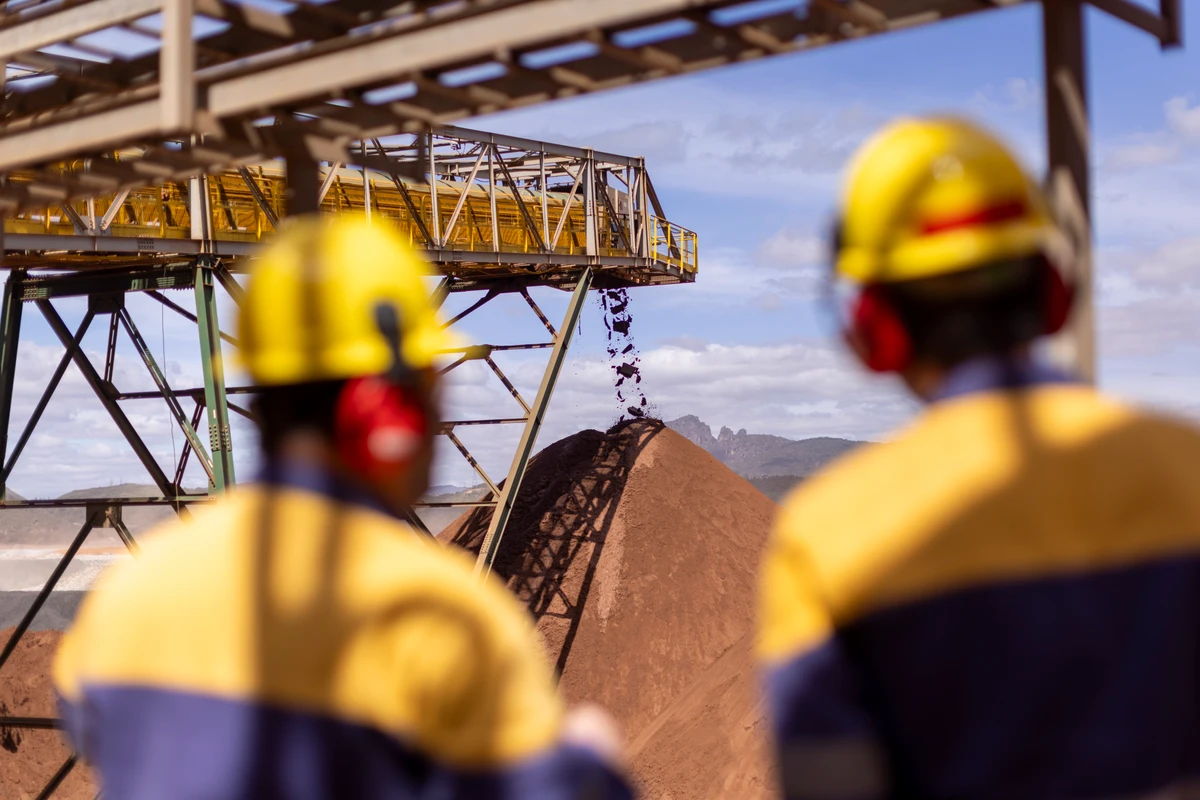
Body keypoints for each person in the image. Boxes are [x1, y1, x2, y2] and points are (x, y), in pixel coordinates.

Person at [53, 214, 634, 799]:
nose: (439, 421)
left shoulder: (132, 594)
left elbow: (86, 717)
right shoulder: (444, 618)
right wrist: (589, 763)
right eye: (431, 391)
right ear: (385, 413)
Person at [757, 116, 1200, 799]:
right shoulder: (1184, 466)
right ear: (1055, 289)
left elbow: (829, 783)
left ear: (874, 328)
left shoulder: (827, 535)